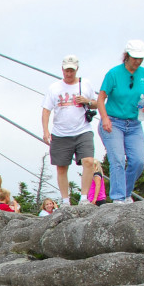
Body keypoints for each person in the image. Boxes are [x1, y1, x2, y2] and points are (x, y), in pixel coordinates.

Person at [97, 39, 144, 203]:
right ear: (127, 56)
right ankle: (118, 198)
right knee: (118, 160)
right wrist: (105, 119)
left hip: (135, 124)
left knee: (138, 161)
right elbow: (101, 98)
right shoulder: (113, 74)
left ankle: (126, 193)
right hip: (113, 122)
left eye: (140, 58)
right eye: (135, 57)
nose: (138, 61)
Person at [42, 55, 98, 207]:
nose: (69, 74)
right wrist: (46, 131)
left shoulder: (85, 84)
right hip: (60, 133)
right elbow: (46, 110)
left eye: (72, 71)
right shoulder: (54, 88)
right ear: (62, 69)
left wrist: (87, 101)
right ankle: (65, 201)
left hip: (83, 130)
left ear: (76, 69)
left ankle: (84, 198)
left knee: (88, 161)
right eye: (66, 70)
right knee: (62, 166)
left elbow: (97, 104)